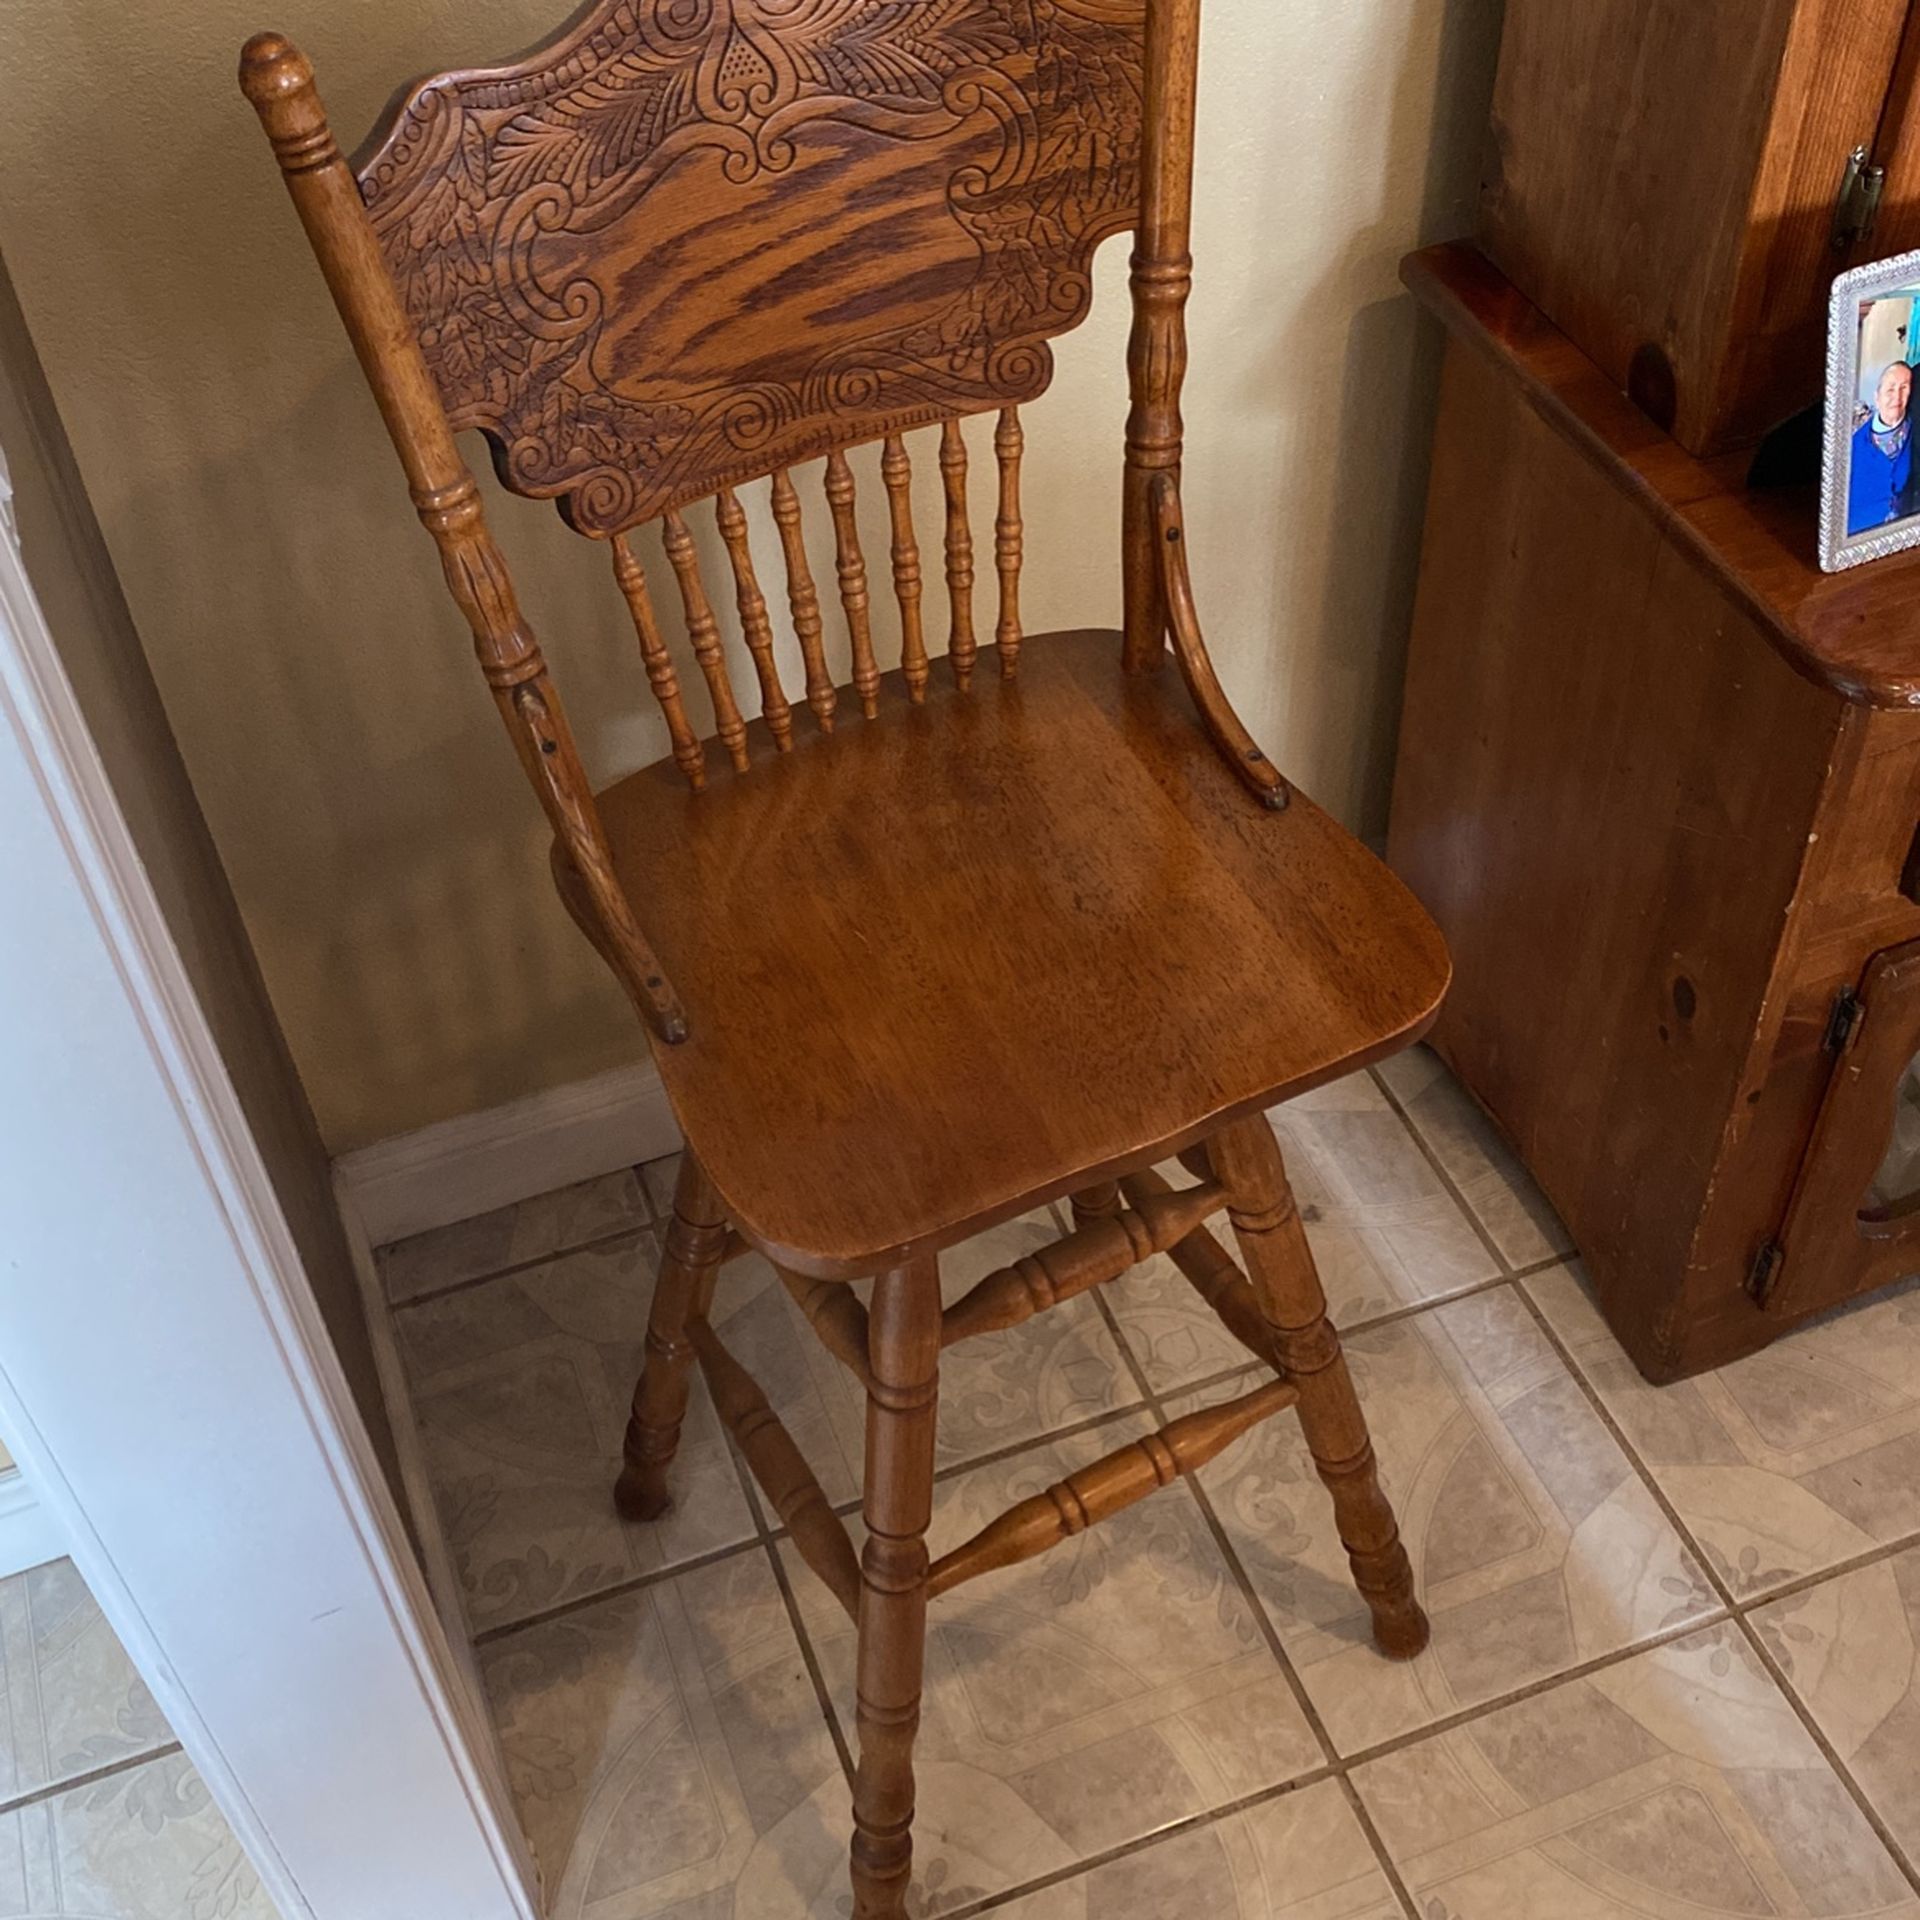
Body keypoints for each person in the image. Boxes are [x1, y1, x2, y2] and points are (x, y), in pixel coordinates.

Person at [1849, 359, 1915, 535]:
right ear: (1877, 398)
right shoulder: (1853, 445)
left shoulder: (1914, 433)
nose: (1897, 397)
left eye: (1904, 388)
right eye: (1890, 389)